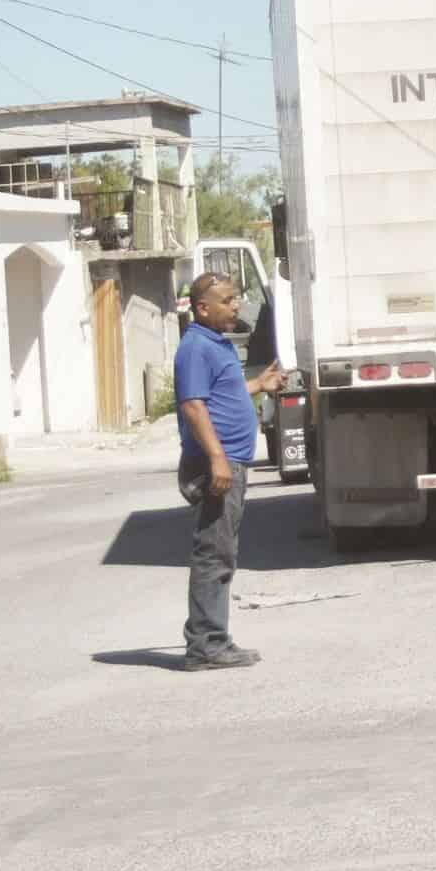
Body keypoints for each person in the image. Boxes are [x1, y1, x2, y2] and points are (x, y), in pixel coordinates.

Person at [175, 272, 281, 671]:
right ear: (203, 307)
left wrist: (258, 385)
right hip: (214, 465)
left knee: (222, 551)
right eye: (228, 300)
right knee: (214, 553)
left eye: (235, 298)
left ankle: (211, 640)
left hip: (229, 461)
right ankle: (206, 645)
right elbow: (193, 406)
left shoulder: (215, 343)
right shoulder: (195, 348)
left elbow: (221, 392)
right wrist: (218, 458)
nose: (236, 305)